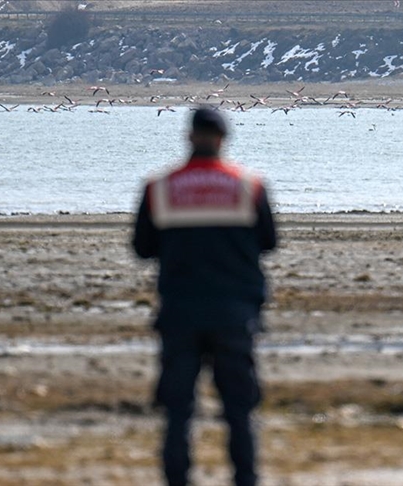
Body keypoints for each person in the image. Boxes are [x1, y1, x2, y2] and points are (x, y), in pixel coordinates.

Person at [132, 106, 277, 486]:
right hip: (235, 311)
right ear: (224, 139)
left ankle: (177, 480)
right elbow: (269, 242)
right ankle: (246, 478)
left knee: (177, 408)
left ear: (188, 137)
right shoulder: (250, 186)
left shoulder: (158, 188)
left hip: (180, 310)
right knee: (240, 408)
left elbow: (142, 248)